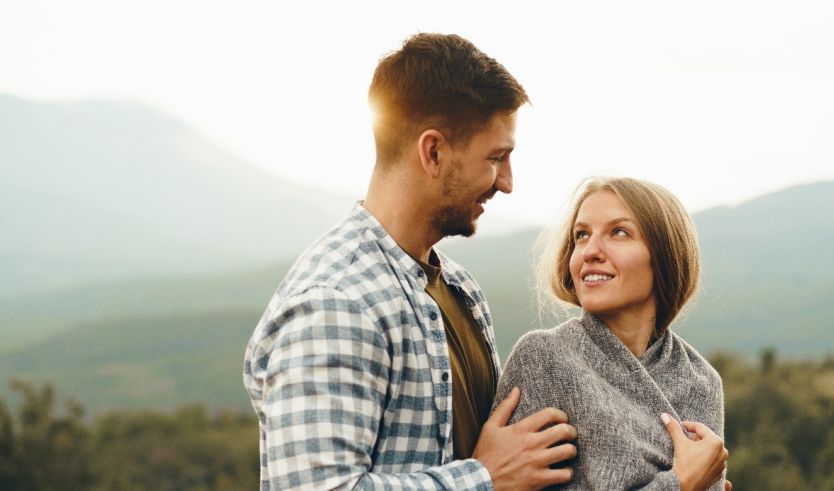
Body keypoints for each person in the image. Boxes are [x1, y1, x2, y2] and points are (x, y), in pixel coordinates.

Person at [243, 33, 577, 490]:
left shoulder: (460, 288)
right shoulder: (337, 303)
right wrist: (484, 479)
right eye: (496, 158)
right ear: (433, 152)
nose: (506, 182)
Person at [493, 177, 728, 490]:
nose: (590, 251)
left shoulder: (701, 382)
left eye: (619, 232)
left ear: (666, 256)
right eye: (581, 235)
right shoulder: (544, 358)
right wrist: (680, 484)